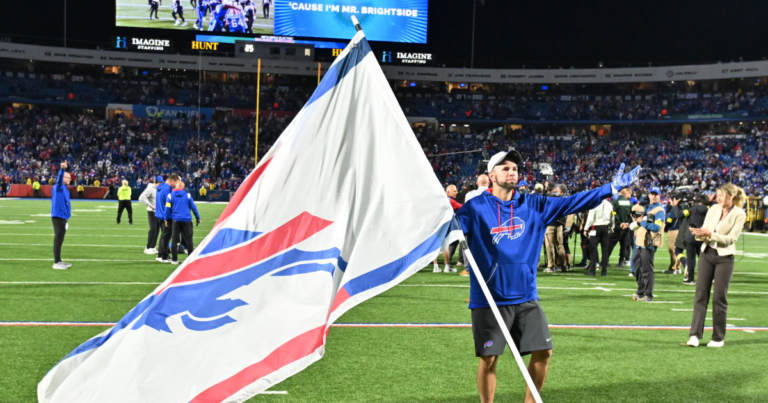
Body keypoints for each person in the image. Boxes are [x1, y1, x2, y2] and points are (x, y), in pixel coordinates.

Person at [456, 150, 640, 403]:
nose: (512, 172)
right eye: (505, 168)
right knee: (489, 359)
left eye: (515, 169)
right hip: (489, 298)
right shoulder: (474, 207)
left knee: (544, 352)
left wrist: (610, 187)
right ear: (491, 175)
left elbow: (575, 202)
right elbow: (449, 231)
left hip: (526, 296)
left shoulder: (534, 205)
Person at [686, 184, 746, 348]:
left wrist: (710, 234)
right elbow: (706, 229)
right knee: (700, 295)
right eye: (717, 195)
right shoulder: (713, 209)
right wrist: (699, 234)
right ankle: (694, 335)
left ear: (731, 196)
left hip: (725, 258)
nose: (718, 198)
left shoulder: (739, 214)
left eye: (721, 195)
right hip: (706, 254)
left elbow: (731, 239)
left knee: (719, 298)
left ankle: (718, 337)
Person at [630, 187, 665, 302]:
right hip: (640, 242)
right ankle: (641, 291)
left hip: (649, 243)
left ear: (659, 196)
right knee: (636, 268)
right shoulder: (647, 208)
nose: (654, 196)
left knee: (646, 269)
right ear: (649, 195)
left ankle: (648, 295)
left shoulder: (659, 210)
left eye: (656, 194)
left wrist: (642, 222)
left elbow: (656, 227)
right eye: (652, 194)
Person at [675, 194, 709, 285]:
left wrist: (675, 206)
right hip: (703, 236)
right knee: (704, 259)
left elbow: (679, 215)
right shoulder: (709, 210)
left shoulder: (692, 209)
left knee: (690, 258)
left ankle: (691, 279)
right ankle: (709, 277)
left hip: (691, 236)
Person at [167, 181, 200, 264]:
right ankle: (190, 259)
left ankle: (174, 260)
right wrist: (198, 218)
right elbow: (194, 208)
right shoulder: (188, 195)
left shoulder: (170, 195)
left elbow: (167, 209)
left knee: (174, 239)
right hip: (187, 220)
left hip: (176, 220)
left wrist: (166, 219)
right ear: (183, 187)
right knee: (189, 239)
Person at [583, 197, 613, 276]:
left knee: (593, 249)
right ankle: (604, 271)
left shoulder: (594, 204)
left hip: (595, 227)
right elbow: (612, 217)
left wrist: (585, 229)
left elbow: (590, 218)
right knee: (605, 250)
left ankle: (592, 271)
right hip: (605, 227)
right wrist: (612, 227)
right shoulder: (610, 204)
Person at [51, 162, 72, 270]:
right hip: (58, 217)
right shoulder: (58, 186)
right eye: (68, 178)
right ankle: (57, 262)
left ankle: (59, 260)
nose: (70, 179)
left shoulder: (65, 189)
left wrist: (67, 219)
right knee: (58, 239)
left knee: (60, 239)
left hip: (63, 218)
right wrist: (62, 169)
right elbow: (59, 179)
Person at [544, 184, 569, 273]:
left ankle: (551, 266)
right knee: (560, 246)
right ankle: (564, 266)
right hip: (559, 225)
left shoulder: (548, 197)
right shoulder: (562, 198)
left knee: (550, 246)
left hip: (550, 224)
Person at [439, 184, 464, 273]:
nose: (456, 192)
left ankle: (435, 266)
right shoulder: (450, 201)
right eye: (454, 191)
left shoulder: (440, 200)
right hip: (445, 225)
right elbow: (462, 207)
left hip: (437, 225)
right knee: (447, 243)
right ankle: (447, 266)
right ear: (448, 192)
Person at [156, 174, 179, 263]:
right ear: (172, 180)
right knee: (166, 237)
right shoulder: (167, 189)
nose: (175, 184)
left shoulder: (161, 187)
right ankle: (164, 256)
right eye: (175, 182)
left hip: (159, 214)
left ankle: (160, 254)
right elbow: (168, 204)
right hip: (165, 215)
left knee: (163, 236)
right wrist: (168, 217)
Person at [607, 187, 632, 267]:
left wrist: (620, 223)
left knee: (610, 244)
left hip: (617, 227)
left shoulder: (615, 202)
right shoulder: (630, 203)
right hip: (626, 228)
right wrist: (627, 223)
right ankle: (621, 261)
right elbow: (631, 215)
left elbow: (614, 214)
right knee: (624, 245)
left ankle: (605, 260)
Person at [139, 176, 163, 254]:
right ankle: (148, 247)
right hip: (152, 211)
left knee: (156, 230)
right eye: (160, 182)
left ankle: (153, 247)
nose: (161, 184)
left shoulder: (158, 189)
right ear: (155, 182)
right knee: (153, 230)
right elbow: (141, 198)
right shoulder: (150, 188)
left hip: (158, 212)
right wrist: (150, 205)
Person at [662, 199, 681, 274]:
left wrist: (665, 228)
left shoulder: (674, 210)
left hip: (673, 230)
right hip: (680, 230)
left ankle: (673, 268)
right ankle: (678, 267)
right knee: (678, 249)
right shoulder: (681, 208)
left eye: (672, 200)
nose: (670, 202)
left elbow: (669, 221)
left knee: (672, 249)